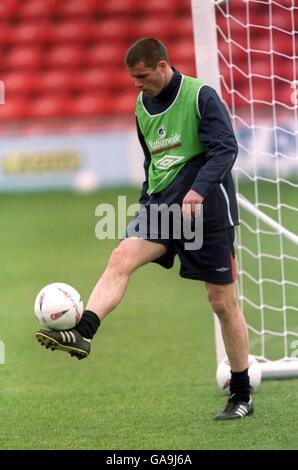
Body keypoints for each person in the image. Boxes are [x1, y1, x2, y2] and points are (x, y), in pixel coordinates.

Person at [36, 38, 253, 421]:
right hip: (161, 207)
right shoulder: (141, 105)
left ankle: (241, 393)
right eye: (133, 78)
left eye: (142, 77)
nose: (137, 85)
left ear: (163, 66)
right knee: (121, 256)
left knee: (222, 302)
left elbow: (226, 148)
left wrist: (198, 191)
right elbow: (153, 160)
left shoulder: (200, 96)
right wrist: (145, 202)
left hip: (208, 214)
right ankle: (84, 332)